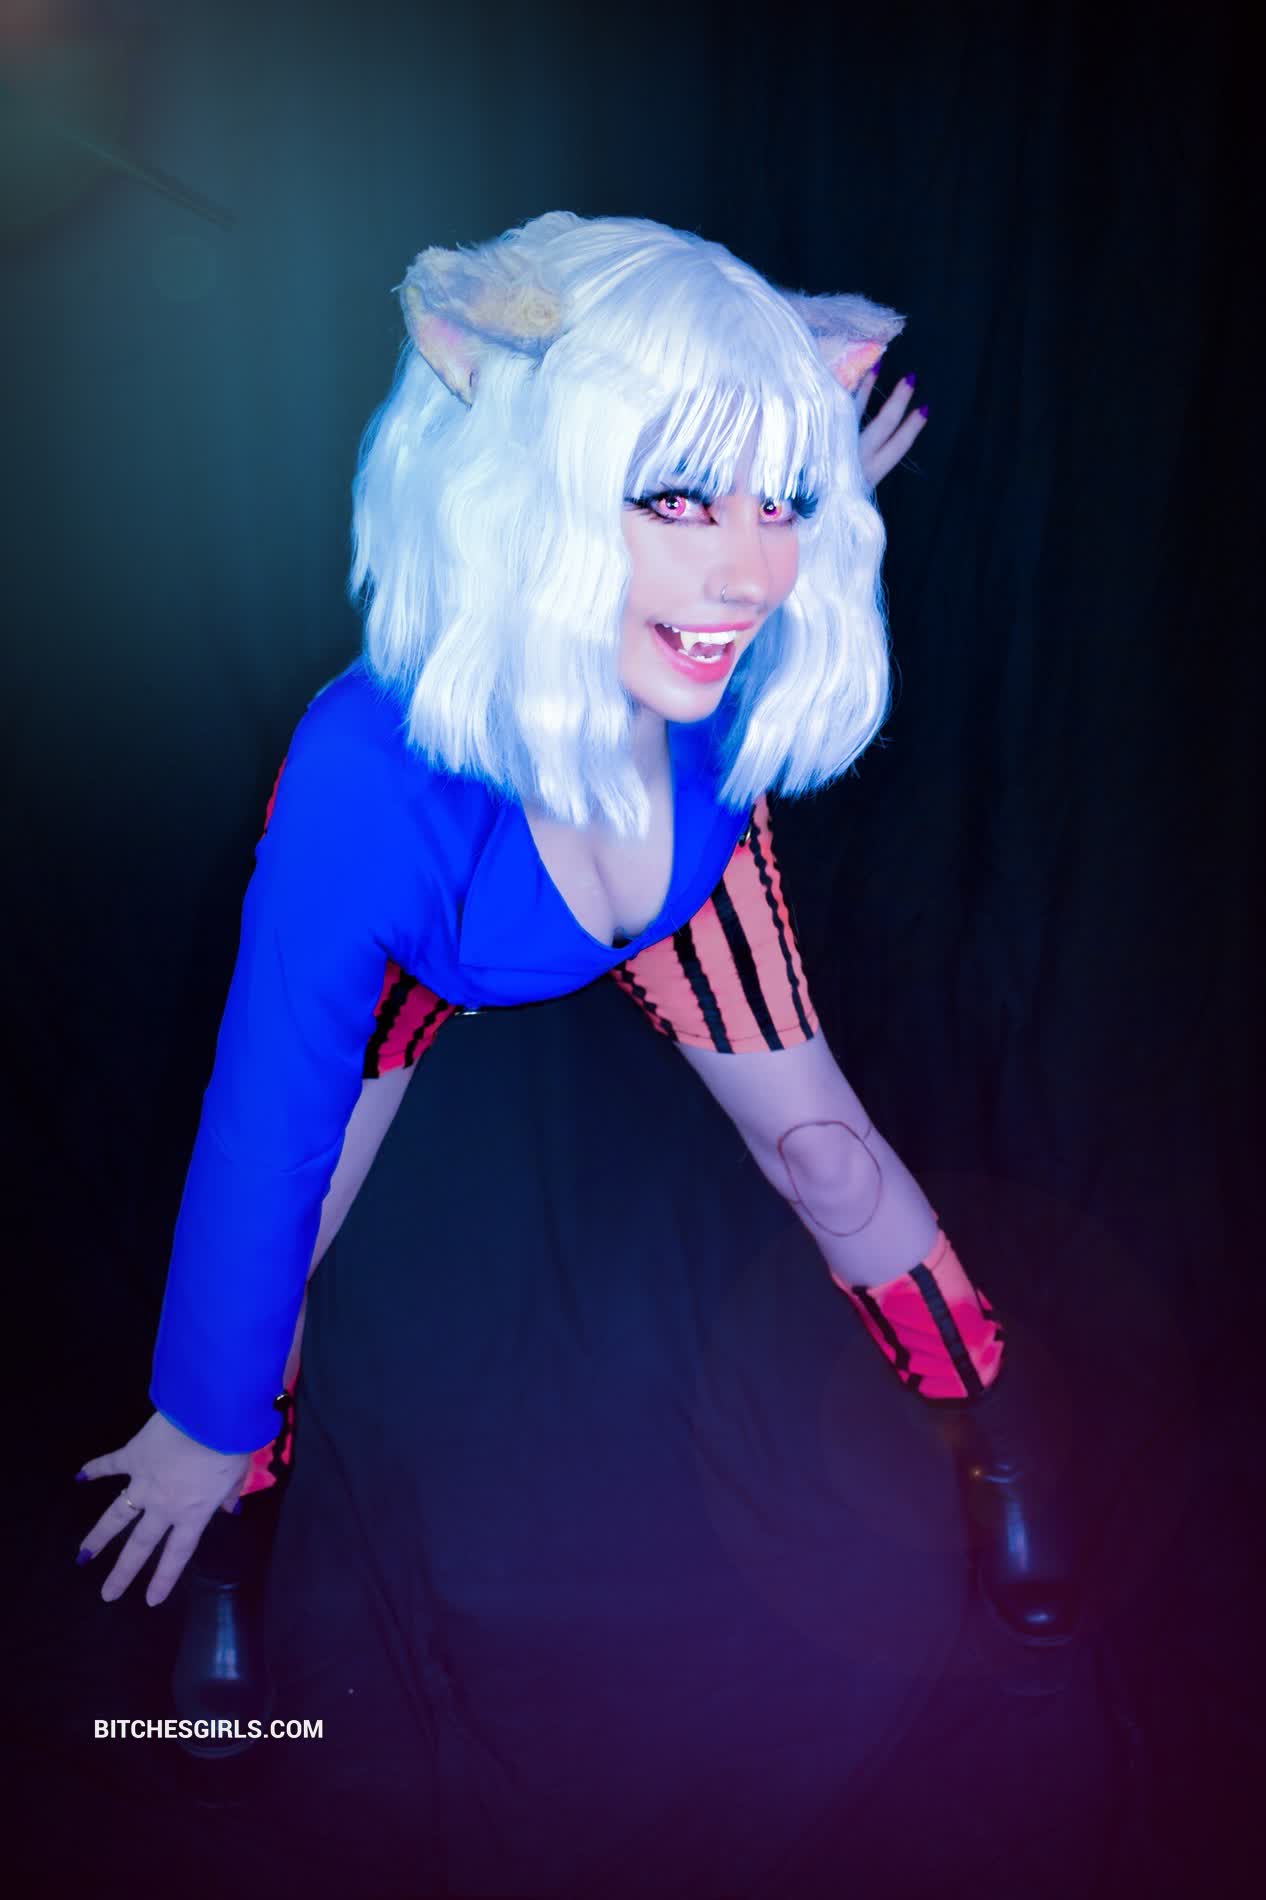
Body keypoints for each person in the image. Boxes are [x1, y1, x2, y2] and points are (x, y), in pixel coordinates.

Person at [75, 213, 1075, 1892]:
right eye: (677, 499)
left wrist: (815, 488)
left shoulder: (723, 651)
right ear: (524, 491)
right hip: (445, 938)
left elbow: (748, 570)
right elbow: (261, 1120)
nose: (749, 575)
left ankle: (998, 1426)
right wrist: (197, 1411)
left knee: (827, 1157)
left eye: (776, 507)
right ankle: (230, 1542)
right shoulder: (364, 782)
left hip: (679, 874)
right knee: (279, 1240)